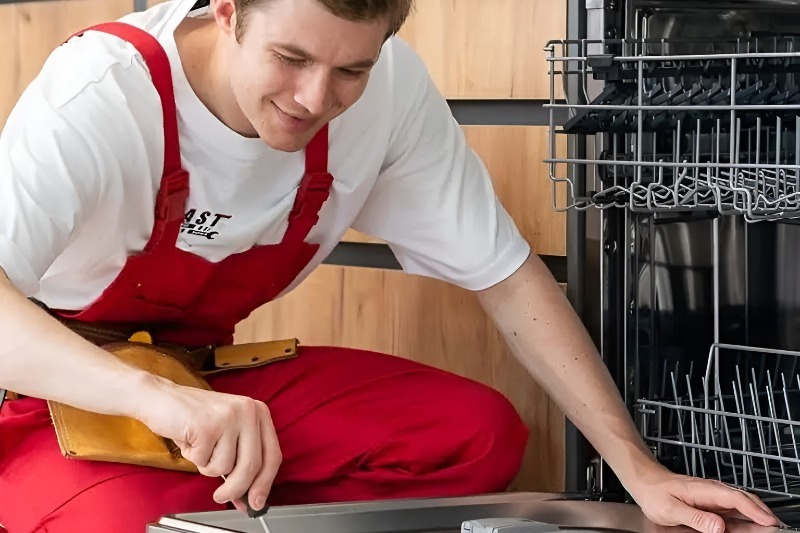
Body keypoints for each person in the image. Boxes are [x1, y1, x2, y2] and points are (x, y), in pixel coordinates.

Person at [0, 0, 782, 532]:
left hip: (206, 382)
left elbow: (508, 277)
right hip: (48, 394)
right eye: (290, 57)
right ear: (229, 10)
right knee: (124, 523)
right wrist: (154, 399)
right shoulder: (102, 92)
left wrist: (638, 470)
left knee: (477, 436)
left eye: (352, 71)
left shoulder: (391, 92)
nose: (314, 98)